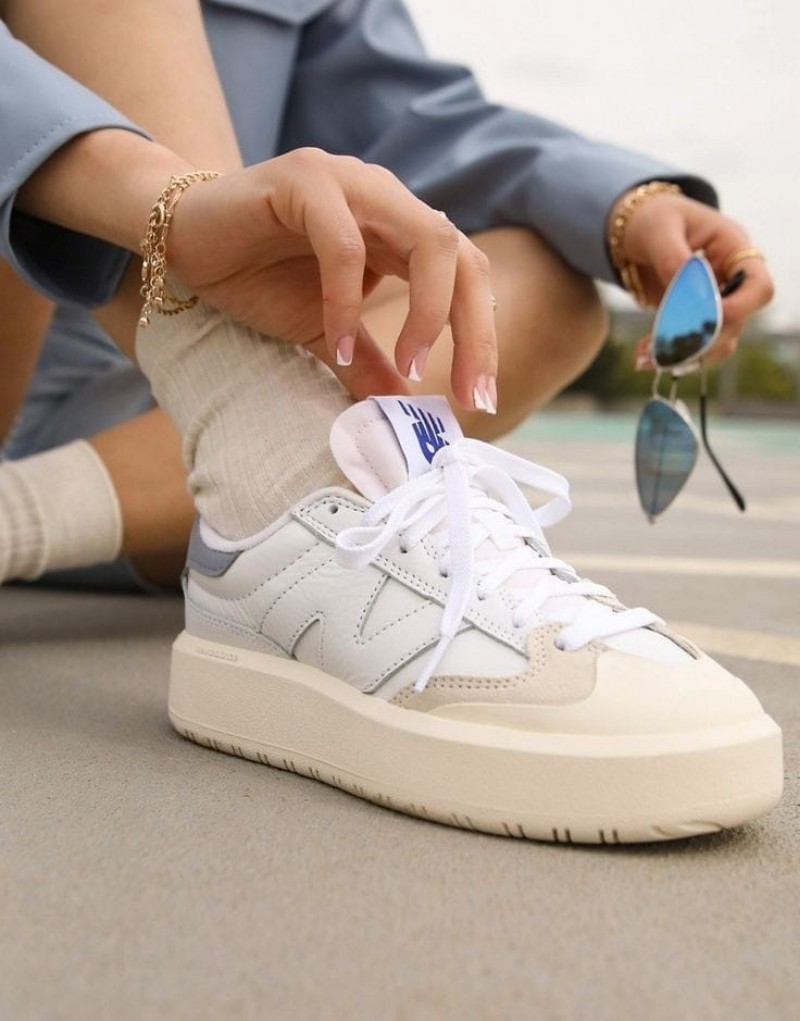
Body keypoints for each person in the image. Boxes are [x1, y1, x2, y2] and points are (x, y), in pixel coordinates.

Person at [0, 0, 781, 842]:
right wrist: (162, 199)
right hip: (47, 357)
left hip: (183, 412)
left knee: (529, 285)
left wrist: (625, 207)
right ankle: (264, 434)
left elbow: (414, 113)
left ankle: (268, 492)